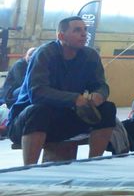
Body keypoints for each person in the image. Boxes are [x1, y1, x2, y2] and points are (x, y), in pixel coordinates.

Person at [7, 17, 116, 165]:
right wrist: (74, 98)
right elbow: (37, 93)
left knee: (108, 108)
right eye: (77, 30)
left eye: (85, 30)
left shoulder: (91, 56)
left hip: (64, 118)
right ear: (61, 36)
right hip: (27, 122)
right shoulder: (44, 54)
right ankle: (30, 168)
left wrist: (99, 95)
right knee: (38, 111)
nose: (84, 34)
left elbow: (101, 85)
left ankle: (93, 162)